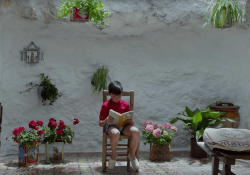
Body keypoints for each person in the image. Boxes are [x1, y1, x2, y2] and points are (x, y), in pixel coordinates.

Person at [99, 81, 140, 170]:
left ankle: (132, 155)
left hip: (123, 126)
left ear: (121, 93)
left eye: (119, 96)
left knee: (136, 131)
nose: (117, 98)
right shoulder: (105, 105)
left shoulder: (125, 104)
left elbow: (128, 117)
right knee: (115, 132)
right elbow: (100, 123)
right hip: (111, 127)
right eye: (114, 96)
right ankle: (113, 155)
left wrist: (130, 122)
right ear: (109, 94)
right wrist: (106, 120)